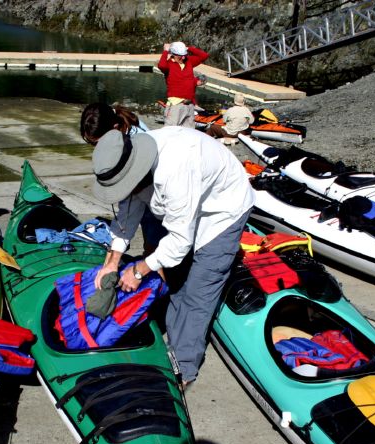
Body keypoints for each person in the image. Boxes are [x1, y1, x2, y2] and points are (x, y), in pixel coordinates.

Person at [91, 127, 255, 387]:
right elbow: (127, 216)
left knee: (200, 289)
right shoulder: (130, 161)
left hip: (223, 211)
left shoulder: (175, 170)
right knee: (178, 282)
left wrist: (138, 271)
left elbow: (179, 241)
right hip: (189, 209)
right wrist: (110, 263)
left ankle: (184, 367)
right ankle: (174, 340)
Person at [80, 103, 166, 273]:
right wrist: (111, 259)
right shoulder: (118, 135)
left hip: (153, 190)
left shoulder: (137, 140)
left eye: (98, 143)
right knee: (134, 237)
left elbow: (130, 206)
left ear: (115, 128)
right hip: (140, 189)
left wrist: (138, 271)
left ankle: (162, 289)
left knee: (154, 247)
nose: (98, 149)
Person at [157, 41, 209, 128]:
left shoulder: (189, 61)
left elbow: (204, 56)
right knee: (170, 130)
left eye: (184, 54)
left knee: (189, 133)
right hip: (175, 105)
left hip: (189, 105)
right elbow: (161, 65)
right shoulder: (169, 64)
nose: (183, 57)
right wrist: (165, 51)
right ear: (173, 54)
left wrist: (188, 48)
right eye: (180, 55)